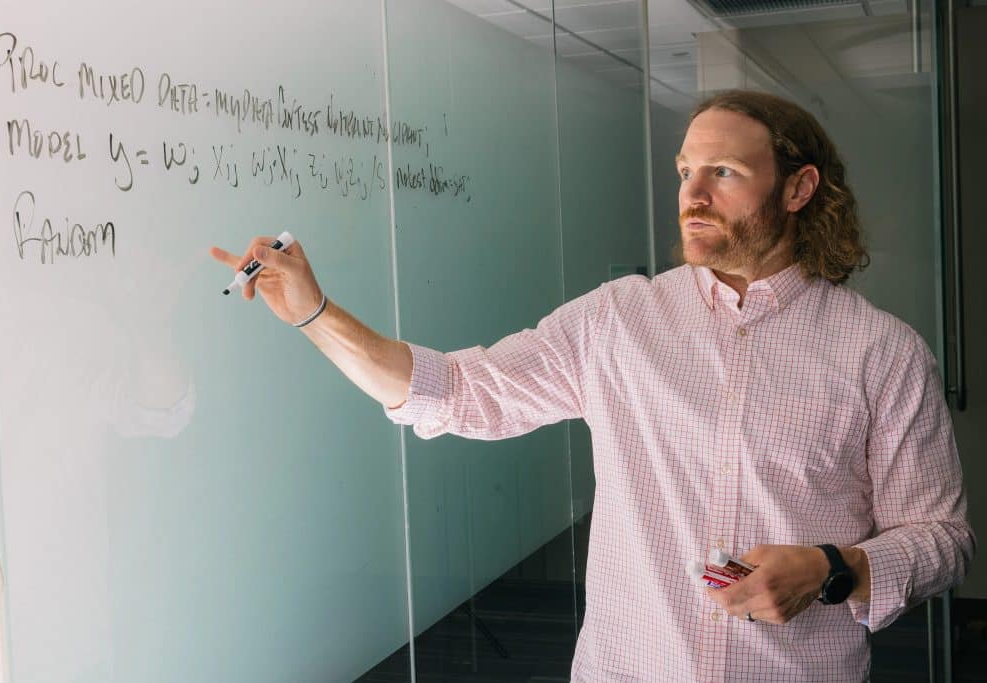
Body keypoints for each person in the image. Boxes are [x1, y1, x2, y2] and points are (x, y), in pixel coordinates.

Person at [211, 89, 974, 682]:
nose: (692, 193)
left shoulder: (883, 352)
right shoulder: (619, 319)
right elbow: (459, 391)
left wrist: (836, 568)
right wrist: (314, 313)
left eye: (724, 172)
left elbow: (942, 538)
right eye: (685, 171)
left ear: (800, 188)